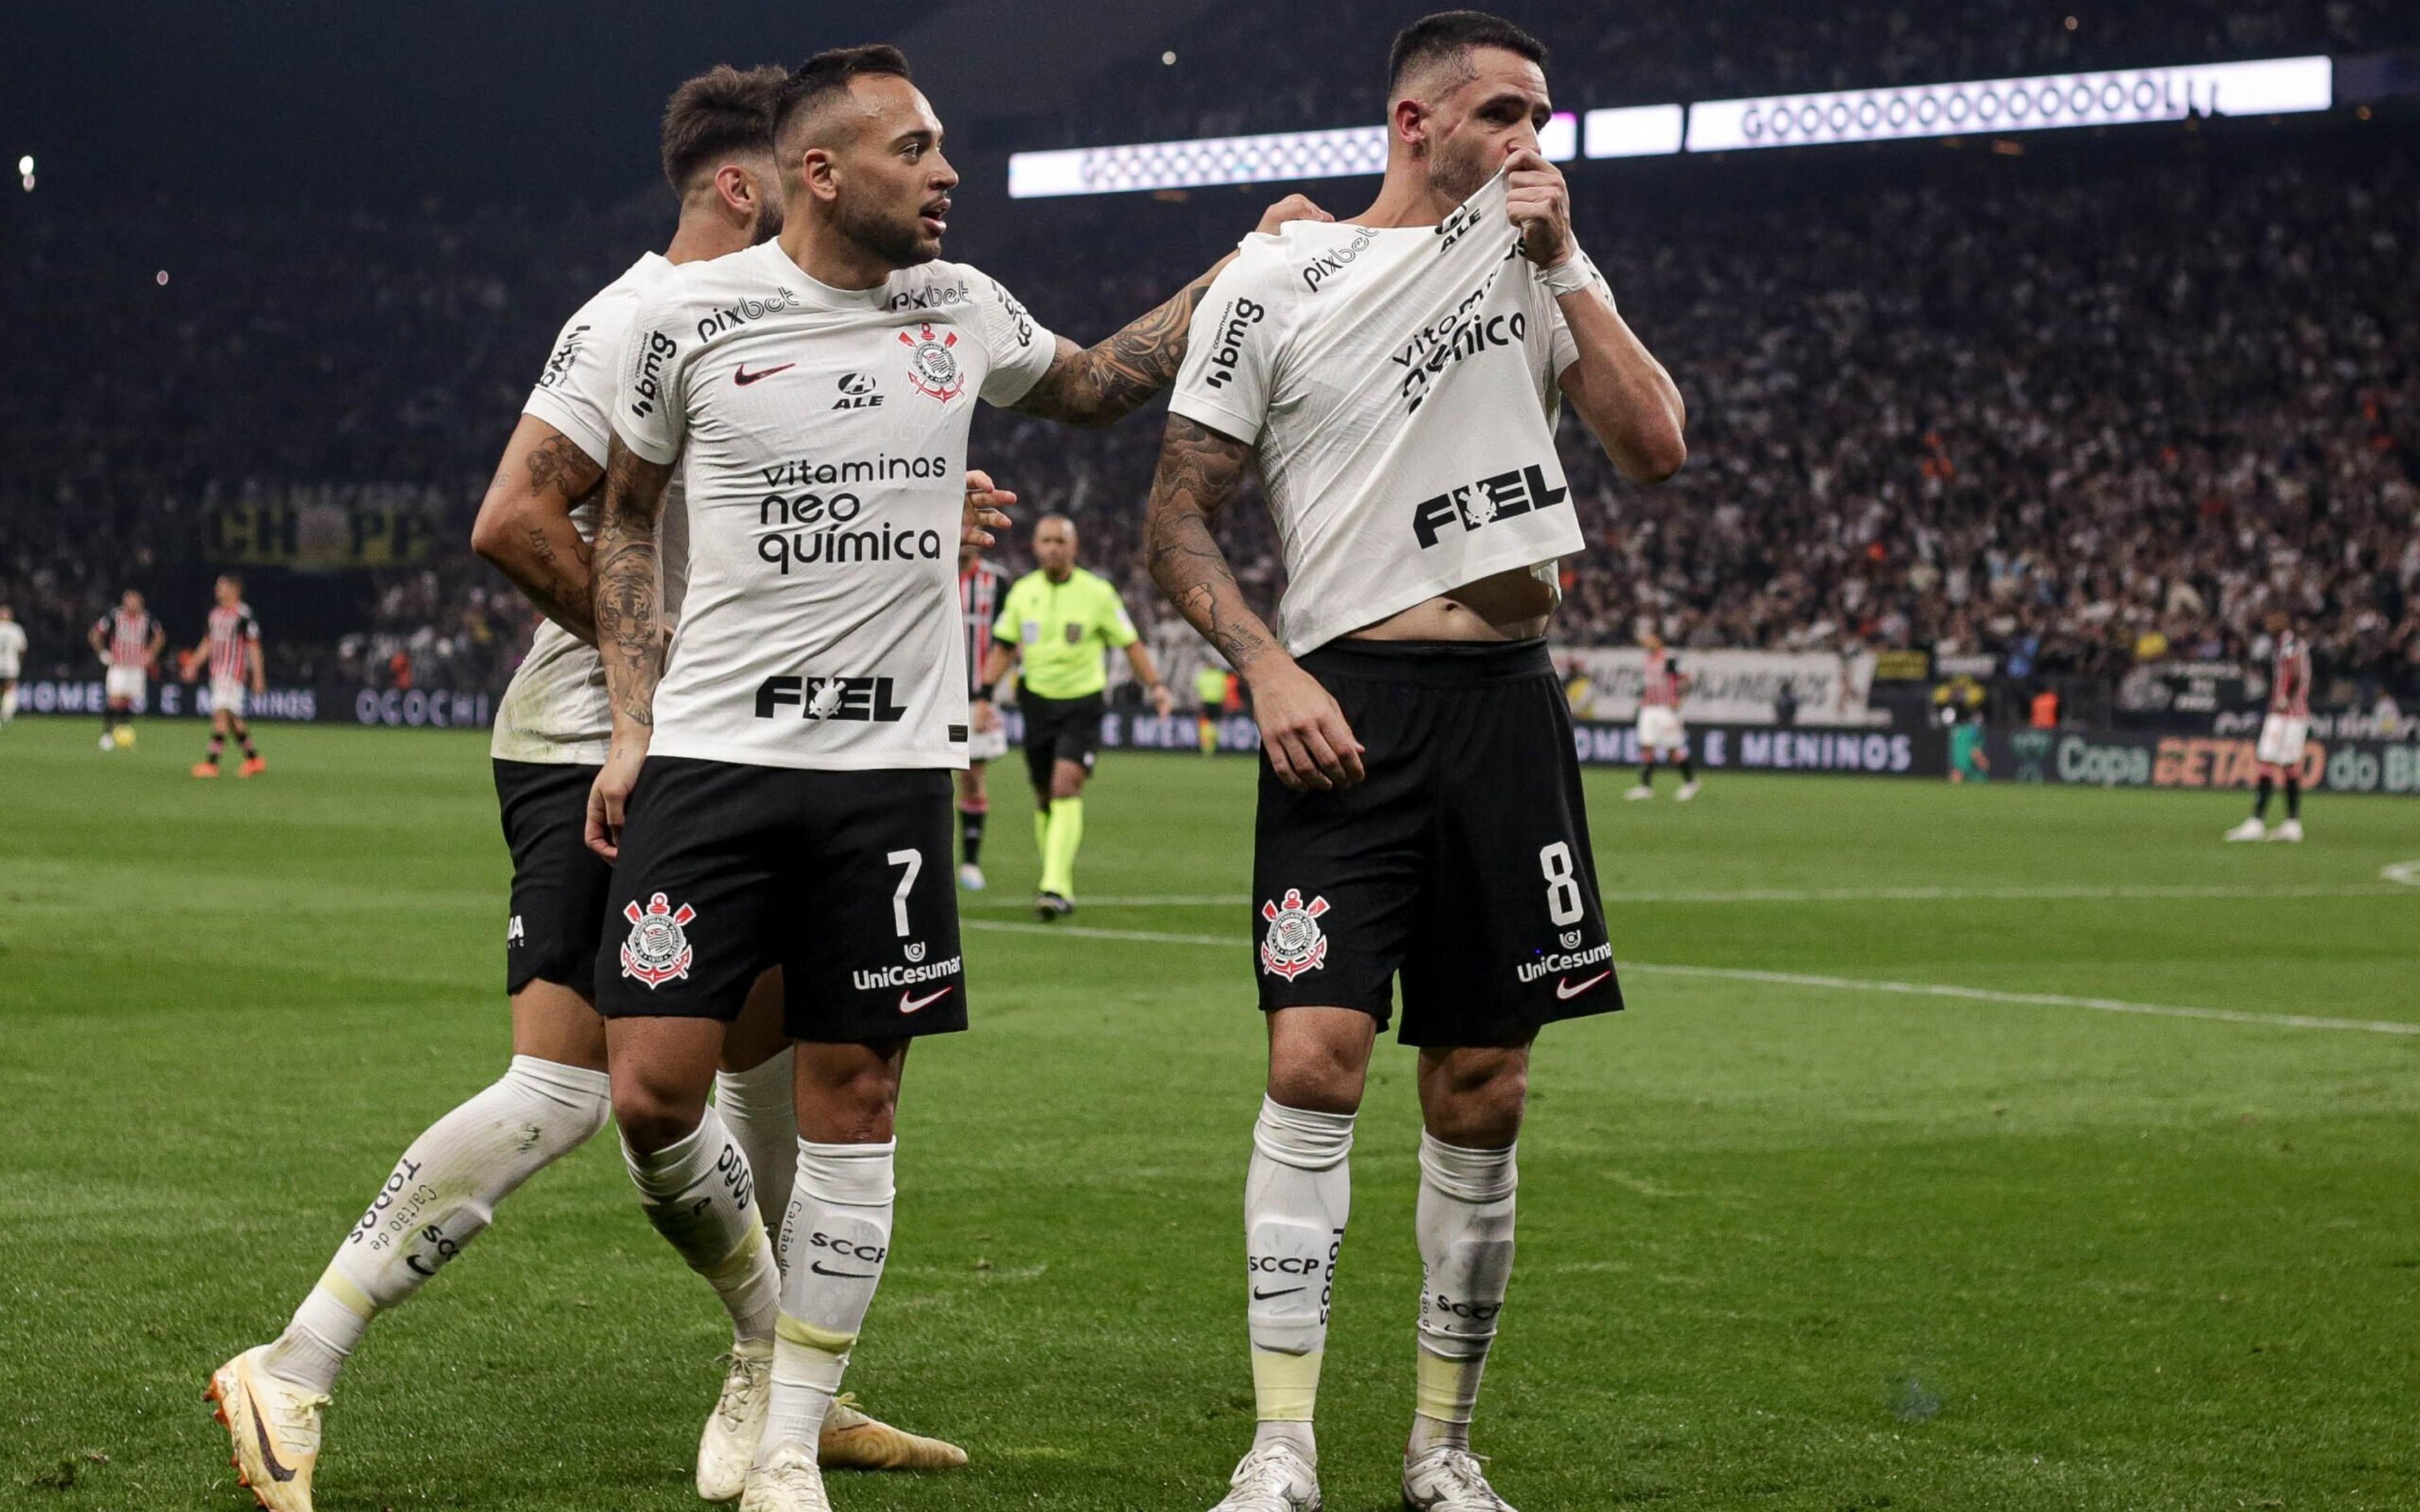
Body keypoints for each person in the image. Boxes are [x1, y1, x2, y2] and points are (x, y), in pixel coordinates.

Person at [205, 67, 960, 1512]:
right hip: (593, 744)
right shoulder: (635, 320)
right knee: (568, 1082)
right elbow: (511, 515)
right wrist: (660, 691)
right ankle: (295, 1361)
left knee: (777, 1051)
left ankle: (786, 1386)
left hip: (736, 750)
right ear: (747, 187)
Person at [580, 45, 1323, 1512]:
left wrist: (1240, 263)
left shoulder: (958, 307)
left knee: (856, 1093)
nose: (945, 173)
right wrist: (627, 722)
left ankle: (790, 1434)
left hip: (890, 773)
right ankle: (760, 1327)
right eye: (914, 149)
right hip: (716, 756)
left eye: (945, 150)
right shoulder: (687, 319)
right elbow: (621, 520)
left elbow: (1105, 384)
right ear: (820, 170)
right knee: (653, 1092)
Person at [1141, 13, 1685, 1512]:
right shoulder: (1278, 276)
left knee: (1483, 1081)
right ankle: (1280, 1439)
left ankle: (1442, 1446)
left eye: (1544, 114)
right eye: (1503, 111)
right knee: (1311, 1056)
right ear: (1412, 121)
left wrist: (1566, 261)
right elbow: (1176, 510)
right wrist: (1261, 665)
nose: (1531, 137)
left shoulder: (1538, 265)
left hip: (1505, 703)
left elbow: (1652, 444)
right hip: (1344, 702)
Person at [977, 513, 1175, 919]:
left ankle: (1054, 885)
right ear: (1035, 547)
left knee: (1066, 786)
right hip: (1035, 703)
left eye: (1060, 541)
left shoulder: (1097, 593)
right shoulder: (1022, 593)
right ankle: (1054, 877)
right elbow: (1004, 647)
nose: (1053, 548)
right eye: (1046, 540)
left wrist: (1156, 686)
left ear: (1074, 548)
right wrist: (983, 695)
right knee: (1045, 796)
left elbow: (1130, 643)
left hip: (1082, 703)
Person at [2227, 612, 2311, 842]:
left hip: (2285, 714)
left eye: (2272, 618)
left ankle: (2256, 823)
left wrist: (2286, 697)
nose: (2267, 622)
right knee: (2289, 767)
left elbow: (2295, 672)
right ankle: (2293, 824)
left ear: (2283, 621)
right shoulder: (2294, 642)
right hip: (2297, 715)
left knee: (2266, 762)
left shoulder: (2288, 642)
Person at [956, 544, 1010, 890]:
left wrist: (989, 697)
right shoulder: (929, 568)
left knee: (973, 777)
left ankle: (970, 863)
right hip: (929, 693)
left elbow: (1009, 641)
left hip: (976, 696)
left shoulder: (997, 581)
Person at [183, 575, 268, 777]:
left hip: (233, 673)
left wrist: (258, 676)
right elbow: (208, 643)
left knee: (221, 714)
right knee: (232, 719)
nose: (217, 590)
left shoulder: (244, 615)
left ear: (234, 589)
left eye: (221, 587)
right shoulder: (215, 615)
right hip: (217, 673)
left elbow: (254, 647)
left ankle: (211, 764)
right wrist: (193, 664)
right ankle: (254, 760)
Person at [89, 588, 164, 750]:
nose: (132, 604)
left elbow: (160, 637)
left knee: (127, 701)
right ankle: (107, 735)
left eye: (135, 600)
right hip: (119, 665)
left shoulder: (147, 618)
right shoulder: (114, 616)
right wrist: (103, 653)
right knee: (115, 699)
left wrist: (150, 654)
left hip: (136, 666)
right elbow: (95, 634)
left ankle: (123, 736)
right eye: (129, 600)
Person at [1625, 630, 1695, 800]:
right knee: (1647, 746)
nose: (1646, 642)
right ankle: (1645, 787)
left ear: (1658, 640)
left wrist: (1680, 699)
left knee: (1672, 749)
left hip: (1665, 709)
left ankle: (1690, 783)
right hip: (1649, 708)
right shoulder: (1647, 660)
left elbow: (1687, 679)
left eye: (1650, 638)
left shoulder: (1669, 659)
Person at [1196, 658, 1234, 755]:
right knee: (1214, 725)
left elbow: (1199, 688)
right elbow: (1225, 689)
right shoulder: (1220, 675)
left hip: (1209, 702)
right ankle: (1211, 746)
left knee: (1207, 725)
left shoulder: (1205, 675)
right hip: (1216, 702)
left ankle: (1208, 747)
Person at [0, 605, 26, 726]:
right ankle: (6, 715)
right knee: (10, 689)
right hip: (11, 664)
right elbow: (22, 649)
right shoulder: (16, 629)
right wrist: (19, 661)